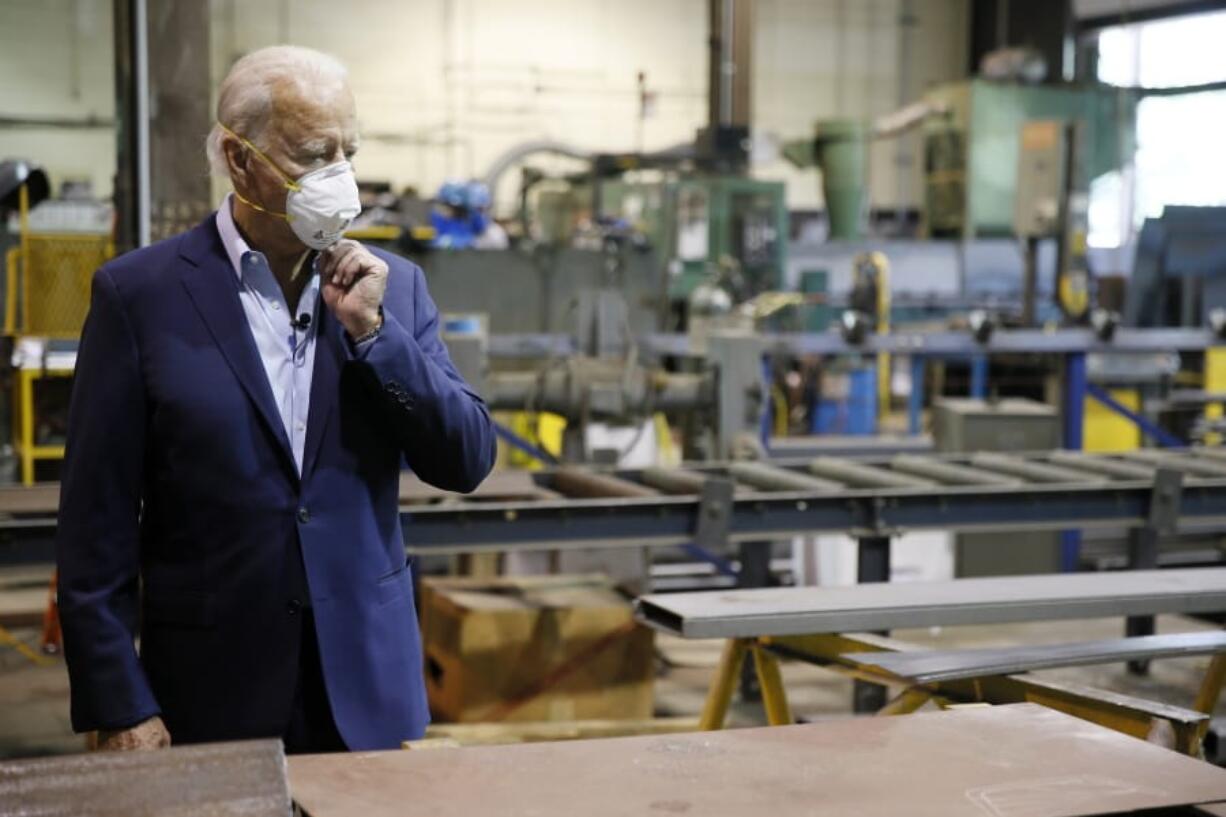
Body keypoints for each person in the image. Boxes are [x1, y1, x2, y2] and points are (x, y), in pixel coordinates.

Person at [56, 45, 496, 754]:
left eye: (348, 151)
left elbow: (468, 458)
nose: (341, 178)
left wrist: (377, 335)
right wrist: (119, 701)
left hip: (365, 694)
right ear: (239, 159)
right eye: (315, 154)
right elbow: (93, 527)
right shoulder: (139, 297)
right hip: (208, 693)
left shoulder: (394, 289)